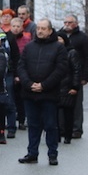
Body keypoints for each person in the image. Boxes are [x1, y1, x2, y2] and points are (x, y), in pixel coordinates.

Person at [17, 19, 68, 166]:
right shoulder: (29, 47)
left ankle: (52, 154)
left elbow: (60, 70)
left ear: (50, 31)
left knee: (51, 125)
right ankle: (32, 153)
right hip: (30, 93)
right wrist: (29, 83)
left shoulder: (58, 48)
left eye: (43, 29)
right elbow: (21, 67)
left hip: (49, 94)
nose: (40, 31)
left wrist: (44, 85)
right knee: (33, 125)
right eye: (38, 28)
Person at [59, 14, 88, 138]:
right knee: (61, 103)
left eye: (70, 22)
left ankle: (76, 129)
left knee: (77, 104)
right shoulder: (59, 35)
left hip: (77, 75)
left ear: (76, 23)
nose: (67, 24)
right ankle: (62, 128)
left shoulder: (82, 38)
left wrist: (85, 76)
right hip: (61, 76)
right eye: (65, 22)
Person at [56, 32, 81, 145]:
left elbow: (76, 70)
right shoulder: (53, 51)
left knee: (68, 114)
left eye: (60, 39)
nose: (58, 41)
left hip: (68, 86)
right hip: (55, 86)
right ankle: (56, 135)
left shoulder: (72, 53)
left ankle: (68, 136)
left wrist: (75, 86)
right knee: (54, 113)